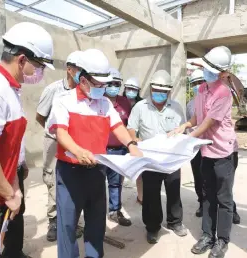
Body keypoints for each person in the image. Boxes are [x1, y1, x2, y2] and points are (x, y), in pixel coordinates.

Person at [47, 49, 143, 258]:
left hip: (97, 171)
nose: (102, 89)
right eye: (98, 85)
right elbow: (61, 133)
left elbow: (118, 127)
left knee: (96, 224)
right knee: (68, 225)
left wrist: (132, 145)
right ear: (82, 80)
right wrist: (78, 151)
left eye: (104, 85)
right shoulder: (64, 100)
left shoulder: (105, 103)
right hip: (70, 173)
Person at [0, 22, 54, 258]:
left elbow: (10, 147)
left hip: (1, 187)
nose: (40, 72)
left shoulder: (11, 89)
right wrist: (10, 194)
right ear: (22, 60)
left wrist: (13, 184)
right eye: (39, 66)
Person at [169, 46, 238, 258]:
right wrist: (183, 126)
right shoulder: (201, 90)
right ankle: (208, 235)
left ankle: (222, 240)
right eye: (205, 67)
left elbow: (207, 124)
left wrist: (187, 138)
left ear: (223, 73)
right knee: (207, 196)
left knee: (223, 199)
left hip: (223, 153)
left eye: (211, 69)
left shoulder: (224, 93)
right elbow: (197, 118)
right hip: (207, 152)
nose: (206, 71)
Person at [127, 70, 187, 244]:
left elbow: (182, 129)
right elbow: (131, 128)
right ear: (151, 88)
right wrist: (135, 139)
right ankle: (152, 227)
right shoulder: (140, 107)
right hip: (150, 159)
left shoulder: (176, 108)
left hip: (171, 158)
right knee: (151, 193)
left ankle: (175, 222)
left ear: (169, 92)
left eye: (163, 91)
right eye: (156, 90)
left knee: (173, 190)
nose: (159, 94)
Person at [36, 50, 83, 242]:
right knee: (53, 180)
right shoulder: (53, 90)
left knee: (75, 179)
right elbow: (40, 116)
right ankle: (54, 221)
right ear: (70, 69)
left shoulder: (83, 92)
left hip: (75, 142)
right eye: (80, 70)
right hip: (54, 142)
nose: (84, 74)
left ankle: (73, 219)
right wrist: (55, 133)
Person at [104, 67, 132, 226]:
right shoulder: (98, 100)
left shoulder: (124, 102)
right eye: (110, 83)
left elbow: (128, 125)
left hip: (119, 151)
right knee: (96, 184)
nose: (113, 86)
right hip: (102, 151)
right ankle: (96, 212)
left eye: (116, 83)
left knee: (116, 183)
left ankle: (114, 211)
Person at [1, 137, 31, 258]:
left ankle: (14, 251)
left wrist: (22, 162)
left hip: (16, 166)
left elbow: (18, 138)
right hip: (1, 169)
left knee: (17, 211)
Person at [123, 77, 144, 204]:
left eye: (134, 89)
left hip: (138, 141)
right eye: (129, 88)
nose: (130, 91)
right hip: (122, 140)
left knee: (140, 170)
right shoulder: (119, 102)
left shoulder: (141, 104)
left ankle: (141, 197)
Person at [187, 69, 204, 217]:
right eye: (195, 83)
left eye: (200, 82)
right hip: (195, 147)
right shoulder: (190, 104)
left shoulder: (216, 99)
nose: (198, 86)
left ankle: (232, 208)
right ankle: (202, 204)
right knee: (198, 177)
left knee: (219, 181)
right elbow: (189, 123)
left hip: (211, 147)